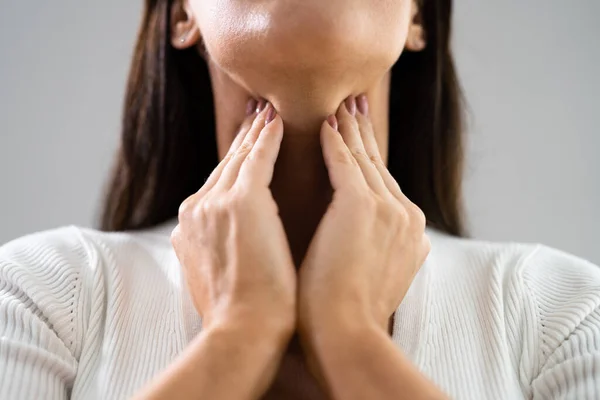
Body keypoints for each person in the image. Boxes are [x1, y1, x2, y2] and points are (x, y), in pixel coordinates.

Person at [1, 0, 599, 398]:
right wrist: (239, 338)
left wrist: (351, 340)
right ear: (183, 11)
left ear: (417, 14)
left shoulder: (563, 313)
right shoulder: (39, 294)